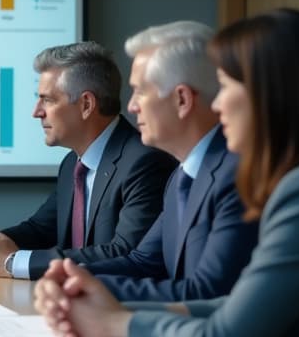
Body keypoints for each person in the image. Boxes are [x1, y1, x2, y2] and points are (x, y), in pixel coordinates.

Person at [34, 9, 299, 337]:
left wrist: (116, 322)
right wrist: (99, 301)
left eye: (226, 87)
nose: (217, 101)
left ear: (272, 96)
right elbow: (230, 305)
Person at [82, 21, 258, 301]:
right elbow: (143, 262)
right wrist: (72, 275)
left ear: (182, 99)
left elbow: (208, 292)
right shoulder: (181, 176)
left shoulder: (239, 174)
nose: (131, 106)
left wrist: (84, 289)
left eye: (140, 91)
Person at [0, 41, 176, 280]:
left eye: (47, 100)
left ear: (86, 104)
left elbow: (125, 253)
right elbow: (41, 229)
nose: (36, 112)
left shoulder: (145, 162)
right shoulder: (73, 163)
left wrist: (12, 263)